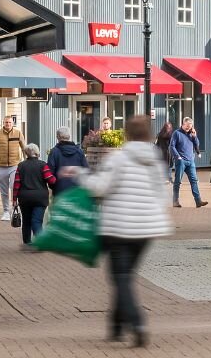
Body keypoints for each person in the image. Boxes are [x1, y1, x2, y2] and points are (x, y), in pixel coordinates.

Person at [65, 115, 171, 347]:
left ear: (128, 134)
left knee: (120, 277)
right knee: (124, 277)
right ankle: (116, 326)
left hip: (119, 228)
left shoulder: (120, 158)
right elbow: (163, 195)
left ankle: (137, 323)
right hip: (146, 230)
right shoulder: (155, 160)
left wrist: (79, 174)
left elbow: (99, 187)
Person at [12, 144, 56, 246]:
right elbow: (51, 180)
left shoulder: (21, 165)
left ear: (26, 153)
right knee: (37, 220)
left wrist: (14, 199)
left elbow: (17, 183)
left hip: (24, 197)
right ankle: (40, 242)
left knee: (26, 221)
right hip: (40, 197)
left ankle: (27, 242)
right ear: (37, 153)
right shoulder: (42, 165)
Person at [0, 115, 25, 221]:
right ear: (3, 123)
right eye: (6, 122)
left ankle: (15, 207)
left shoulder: (18, 133)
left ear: (12, 123)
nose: (8, 124)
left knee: (14, 186)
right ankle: (5, 211)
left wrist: (27, 161)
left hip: (15, 165)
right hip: (1, 166)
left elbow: (24, 148)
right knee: (4, 191)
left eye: (9, 122)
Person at [170, 117, 208, 209]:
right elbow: (172, 146)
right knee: (178, 181)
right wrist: (177, 157)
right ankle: (175, 201)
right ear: (183, 124)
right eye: (187, 126)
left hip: (190, 161)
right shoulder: (177, 133)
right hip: (181, 161)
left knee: (194, 181)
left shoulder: (191, 134)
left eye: (190, 126)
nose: (188, 128)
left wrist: (194, 136)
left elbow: (197, 144)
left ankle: (198, 201)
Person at [47, 126, 88, 196]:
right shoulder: (79, 151)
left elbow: (50, 173)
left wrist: (54, 187)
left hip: (60, 191)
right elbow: (85, 170)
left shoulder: (54, 152)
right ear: (69, 136)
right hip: (76, 190)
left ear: (58, 137)